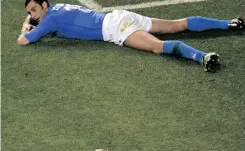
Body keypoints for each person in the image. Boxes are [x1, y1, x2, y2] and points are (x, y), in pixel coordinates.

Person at [17, 0, 245, 72]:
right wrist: (31, 19)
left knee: (157, 46)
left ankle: (203, 57)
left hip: (115, 28)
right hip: (119, 16)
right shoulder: (58, 8)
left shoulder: (50, 20)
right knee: (176, 25)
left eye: (34, 10)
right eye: (30, 12)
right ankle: (231, 23)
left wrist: (25, 26)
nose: (32, 14)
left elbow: (24, 41)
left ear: (44, 5)